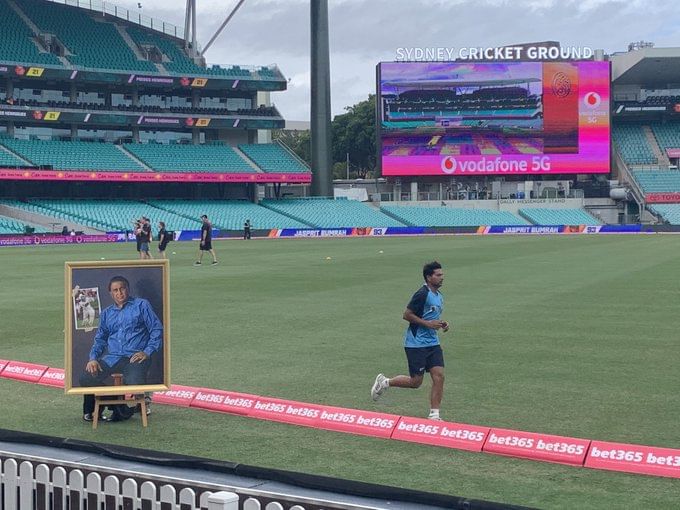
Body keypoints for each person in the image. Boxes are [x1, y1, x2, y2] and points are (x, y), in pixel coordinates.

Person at [371, 261, 449, 421]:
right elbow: (407, 314)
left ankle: (434, 415)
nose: (442, 277)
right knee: (416, 382)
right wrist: (428, 324)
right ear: (429, 277)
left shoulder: (439, 296)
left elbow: (431, 316)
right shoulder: (422, 294)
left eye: (442, 274)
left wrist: (442, 323)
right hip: (416, 344)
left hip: (433, 343)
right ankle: (385, 382)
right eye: (438, 275)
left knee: (439, 376)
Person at [79, 276, 163, 422]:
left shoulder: (141, 305)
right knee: (85, 378)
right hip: (113, 357)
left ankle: (124, 407)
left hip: (135, 357)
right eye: (115, 290)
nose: (119, 293)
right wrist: (93, 358)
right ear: (111, 293)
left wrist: (147, 351)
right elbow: (100, 339)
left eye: (122, 288)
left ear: (128, 289)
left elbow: (156, 329)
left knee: (134, 382)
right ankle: (120, 406)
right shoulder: (106, 313)